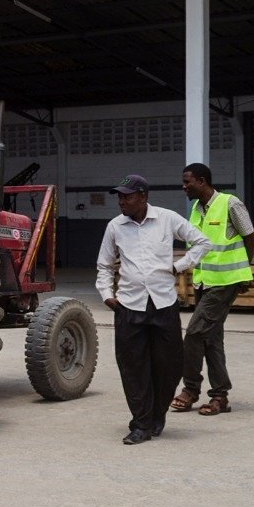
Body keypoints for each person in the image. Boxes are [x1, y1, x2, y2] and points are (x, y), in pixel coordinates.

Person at [96, 174, 212, 445]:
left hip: (163, 305)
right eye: (119, 196)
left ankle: (156, 416)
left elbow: (203, 242)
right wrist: (106, 295)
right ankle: (140, 423)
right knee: (133, 367)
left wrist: (178, 266)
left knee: (169, 365)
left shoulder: (167, 219)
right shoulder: (115, 226)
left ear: (143, 196)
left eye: (127, 196)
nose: (121, 201)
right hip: (129, 306)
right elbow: (104, 265)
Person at [171, 162, 254, 416]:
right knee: (211, 339)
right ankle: (220, 396)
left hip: (225, 282)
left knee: (194, 334)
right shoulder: (196, 209)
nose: (184, 187)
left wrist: (244, 271)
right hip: (203, 282)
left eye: (187, 182)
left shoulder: (230, 203)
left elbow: (250, 236)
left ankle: (190, 389)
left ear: (202, 181)